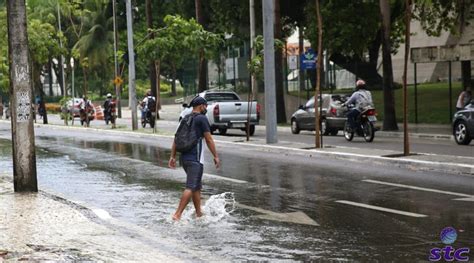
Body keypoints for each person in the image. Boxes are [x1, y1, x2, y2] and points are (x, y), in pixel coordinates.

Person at [168, 96, 220, 221]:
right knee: (191, 186)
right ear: (201, 105)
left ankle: (198, 213)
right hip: (195, 159)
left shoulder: (185, 118)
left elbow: (176, 138)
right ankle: (177, 214)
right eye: (205, 106)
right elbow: (208, 139)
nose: (206, 108)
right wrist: (216, 156)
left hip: (184, 159)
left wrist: (172, 156)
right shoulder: (202, 119)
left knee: (196, 186)